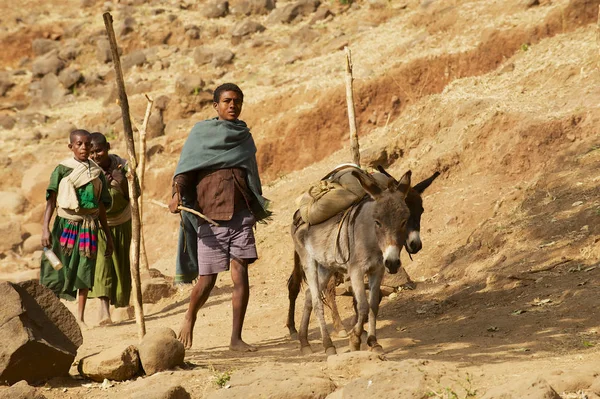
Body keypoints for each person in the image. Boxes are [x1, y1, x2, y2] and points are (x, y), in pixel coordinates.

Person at [170, 83, 271, 351]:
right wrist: (176, 193)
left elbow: (250, 172)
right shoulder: (201, 134)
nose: (232, 106)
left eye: (237, 101)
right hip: (210, 216)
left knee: (241, 275)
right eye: (227, 101)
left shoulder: (243, 135)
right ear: (216, 105)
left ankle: (236, 338)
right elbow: (186, 169)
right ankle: (190, 316)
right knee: (208, 280)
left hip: (240, 214)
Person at [40, 129, 114, 328]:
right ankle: (50, 315)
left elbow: (100, 207)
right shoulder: (62, 169)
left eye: (87, 144)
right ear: (70, 146)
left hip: (88, 228)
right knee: (55, 268)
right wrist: (45, 229)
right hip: (64, 226)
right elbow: (51, 201)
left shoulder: (96, 173)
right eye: (79, 144)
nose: (84, 148)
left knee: (85, 270)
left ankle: (79, 319)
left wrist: (107, 235)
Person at [88, 132, 132, 325]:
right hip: (99, 224)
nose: (96, 155)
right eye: (92, 152)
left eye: (99, 150)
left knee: (121, 262)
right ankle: (104, 311)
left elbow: (135, 190)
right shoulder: (88, 170)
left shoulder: (122, 165)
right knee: (102, 264)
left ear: (108, 147)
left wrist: (122, 181)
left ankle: (123, 308)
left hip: (122, 220)